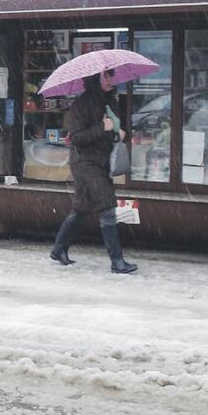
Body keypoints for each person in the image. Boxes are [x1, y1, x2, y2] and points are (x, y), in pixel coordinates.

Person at [49, 69, 138, 274]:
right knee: (107, 205)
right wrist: (101, 128)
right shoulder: (81, 104)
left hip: (102, 161)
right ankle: (117, 261)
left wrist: (118, 133)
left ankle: (59, 248)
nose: (110, 78)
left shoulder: (110, 101)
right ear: (94, 78)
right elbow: (76, 138)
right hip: (84, 162)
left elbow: (112, 131)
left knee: (81, 208)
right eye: (106, 75)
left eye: (111, 74)